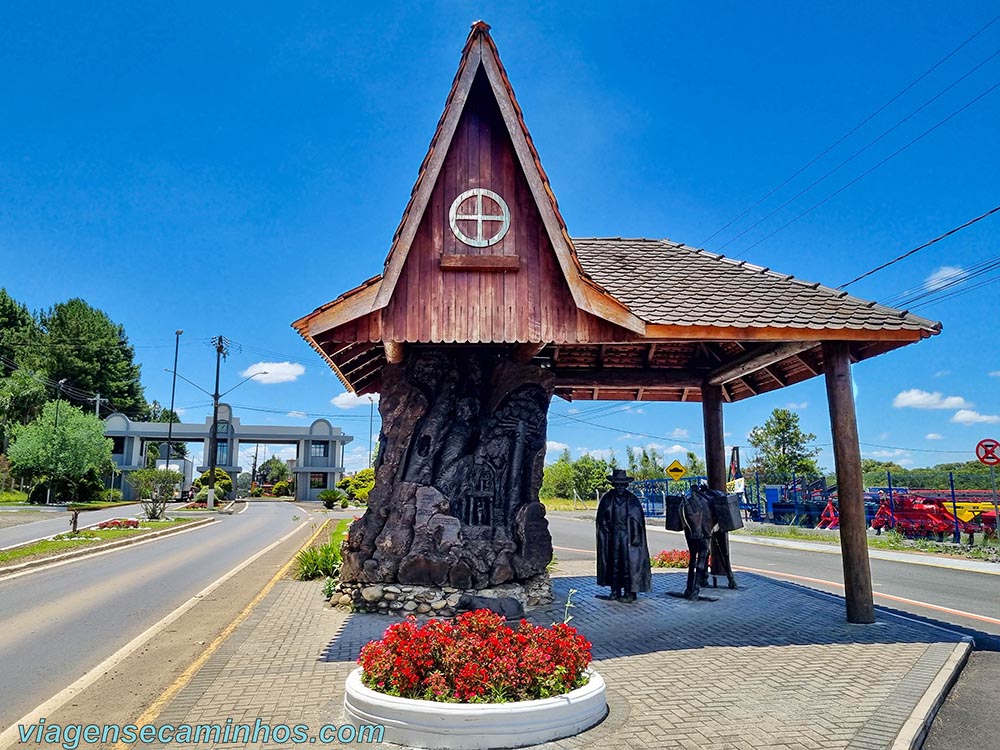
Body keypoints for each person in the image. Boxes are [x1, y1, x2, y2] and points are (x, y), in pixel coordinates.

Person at [596, 469, 652, 602]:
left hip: (628, 535)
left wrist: (636, 535)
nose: (620, 487)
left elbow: (637, 519)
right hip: (613, 536)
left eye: (622, 484)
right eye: (617, 484)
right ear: (614, 485)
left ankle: (629, 592)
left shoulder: (632, 500)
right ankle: (615, 591)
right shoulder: (608, 498)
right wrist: (604, 525)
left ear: (626, 485)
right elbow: (601, 517)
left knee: (629, 564)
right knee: (613, 562)